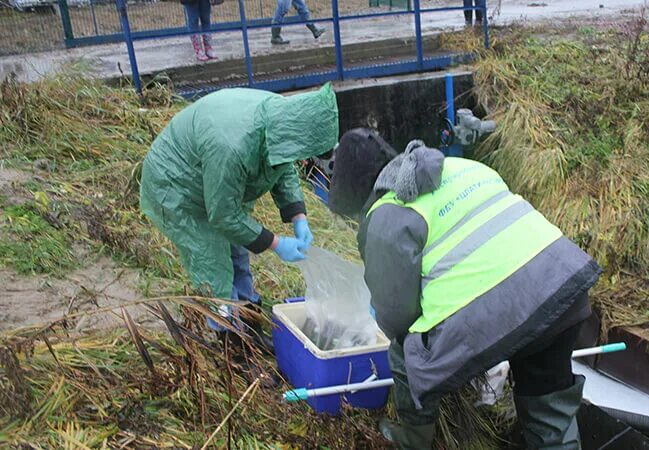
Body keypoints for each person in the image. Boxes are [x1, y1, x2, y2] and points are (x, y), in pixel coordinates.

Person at [326, 128, 601, 449]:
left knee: (405, 349)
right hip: (561, 284)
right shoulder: (462, 166)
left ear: (358, 195)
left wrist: (388, 315)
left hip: (505, 310)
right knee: (549, 402)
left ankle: (412, 438)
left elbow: (397, 317)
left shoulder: (385, 214)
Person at [139, 84, 339, 350]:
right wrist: (276, 244)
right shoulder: (232, 146)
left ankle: (250, 326)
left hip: (215, 181)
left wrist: (298, 217)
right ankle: (233, 346)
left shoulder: (283, 120)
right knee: (213, 264)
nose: (303, 161)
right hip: (177, 186)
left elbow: (283, 165)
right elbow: (223, 214)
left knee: (237, 255)